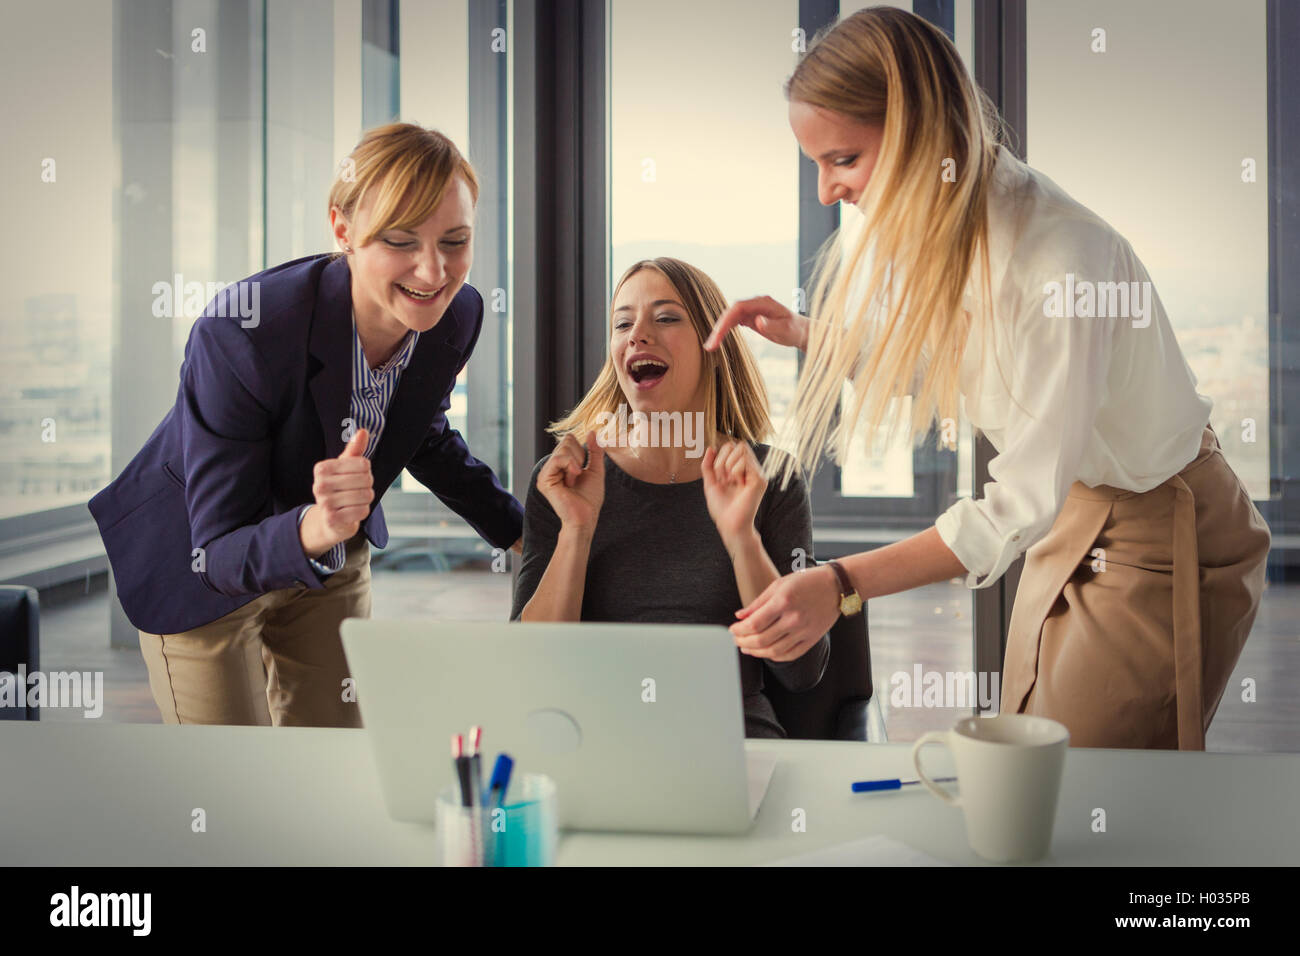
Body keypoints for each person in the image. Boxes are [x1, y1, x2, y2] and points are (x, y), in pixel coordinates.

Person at [705, 7, 1270, 750]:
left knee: (1089, 777)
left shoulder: (1059, 261)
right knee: (1034, 754)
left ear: (918, 133)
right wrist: (812, 335)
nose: (825, 191)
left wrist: (841, 584)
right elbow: (964, 365)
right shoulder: (954, 222)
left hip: (1161, 528)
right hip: (1077, 510)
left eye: (843, 159)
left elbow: (1016, 508)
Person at [89, 123, 523, 727]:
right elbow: (216, 552)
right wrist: (315, 524)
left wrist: (521, 533)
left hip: (329, 557)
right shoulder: (243, 333)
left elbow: (422, 432)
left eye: (455, 240)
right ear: (343, 230)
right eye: (401, 241)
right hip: (203, 565)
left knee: (332, 758)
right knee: (234, 789)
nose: (433, 272)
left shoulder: (457, 314)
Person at [510, 257, 830, 738]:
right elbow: (531, 670)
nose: (638, 334)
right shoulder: (565, 479)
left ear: (713, 344)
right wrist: (577, 530)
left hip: (731, 739)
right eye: (623, 324)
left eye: (665, 317)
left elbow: (802, 671)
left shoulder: (771, 478)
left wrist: (741, 537)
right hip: (595, 738)